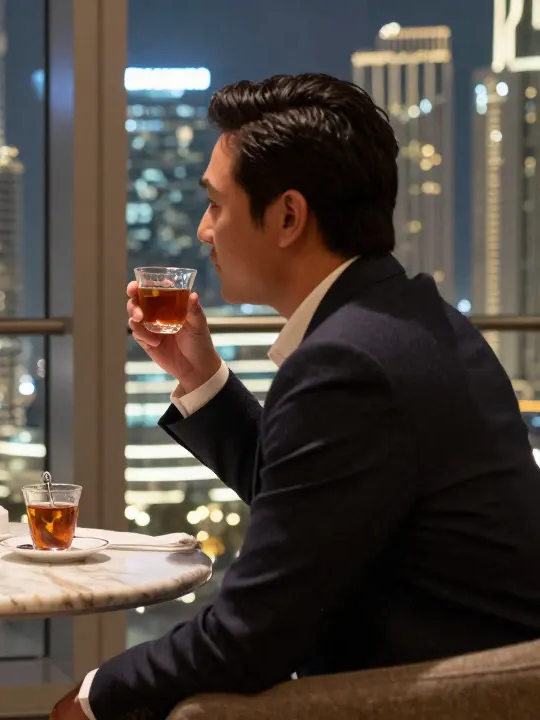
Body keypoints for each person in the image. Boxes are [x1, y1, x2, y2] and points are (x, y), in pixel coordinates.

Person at [52, 73, 540, 720]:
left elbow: (248, 637)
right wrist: (202, 379)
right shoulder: (410, 320)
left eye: (216, 205)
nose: (203, 230)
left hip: (432, 696)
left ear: (288, 216)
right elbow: (322, 505)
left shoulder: (349, 364)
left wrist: (92, 696)